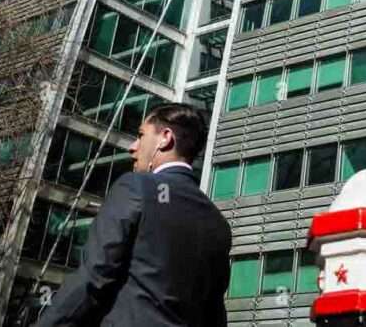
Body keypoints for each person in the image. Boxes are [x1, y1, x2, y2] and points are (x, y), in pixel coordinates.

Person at [38, 103, 231, 326]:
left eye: (141, 135)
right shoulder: (218, 223)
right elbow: (215, 314)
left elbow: (94, 276)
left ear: (165, 138)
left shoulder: (136, 187)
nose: (133, 147)